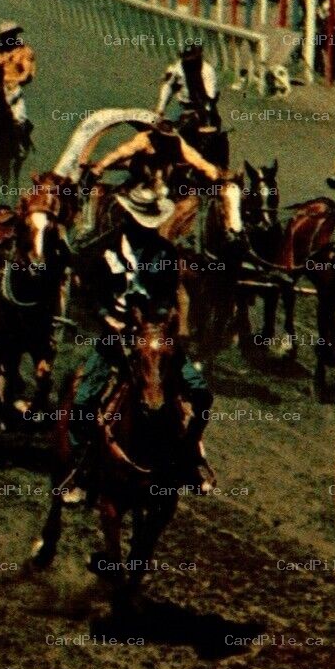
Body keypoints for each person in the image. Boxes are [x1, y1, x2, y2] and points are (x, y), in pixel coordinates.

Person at [61, 184, 213, 504]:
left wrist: (154, 324)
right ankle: (79, 470)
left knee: (200, 392)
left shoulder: (166, 254)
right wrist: (109, 320)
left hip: (155, 338)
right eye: (141, 220)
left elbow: (168, 297)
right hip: (116, 338)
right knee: (84, 400)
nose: (147, 228)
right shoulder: (105, 252)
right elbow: (93, 297)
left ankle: (192, 458)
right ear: (129, 217)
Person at [89, 118, 221, 195]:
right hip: (141, 173)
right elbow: (121, 152)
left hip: (164, 177)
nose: (164, 139)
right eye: (161, 136)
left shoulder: (177, 141)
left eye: (167, 136)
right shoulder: (144, 139)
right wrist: (101, 165)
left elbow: (195, 158)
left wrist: (211, 170)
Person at [157, 41, 220, 141]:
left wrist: (200, 114)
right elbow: (168, 86)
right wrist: (161, 108)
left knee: (205, 134)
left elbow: (210, 97)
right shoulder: (177, 68)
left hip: (203, 108)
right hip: (183, 105)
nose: (188, 61)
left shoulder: (207, 71)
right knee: (164, 127)